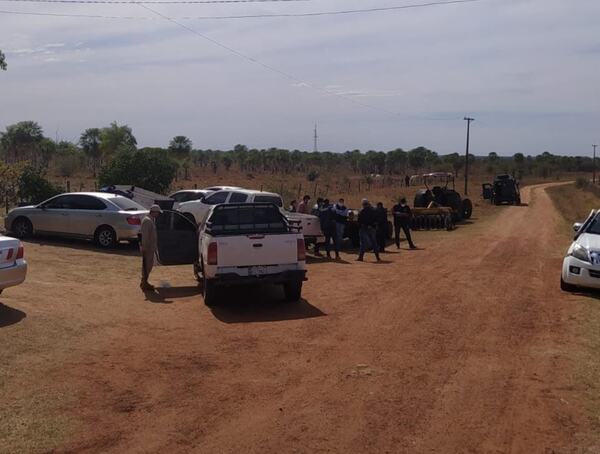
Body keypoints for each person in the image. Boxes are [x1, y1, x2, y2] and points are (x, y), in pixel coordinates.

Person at [140, 204, 162, 291]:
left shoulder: (150, 220)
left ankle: (144, 282)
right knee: (146, 265)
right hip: (147, 247)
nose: (158, 214)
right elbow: (145, 236)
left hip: (150, 247)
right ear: (153, 212)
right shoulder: (147, 221)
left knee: (148, 265)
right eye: (157, 213)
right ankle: (144, 282)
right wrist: (144, 247)